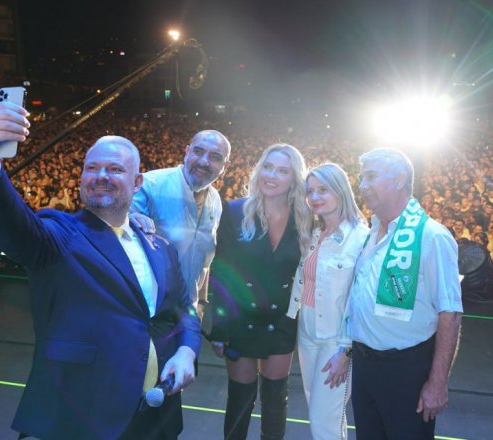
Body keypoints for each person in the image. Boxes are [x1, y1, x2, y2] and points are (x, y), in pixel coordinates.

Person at [0, 91, 200, 439]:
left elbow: (184, 309)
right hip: (82, 414)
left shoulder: (160, 247)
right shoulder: (59, 235)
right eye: (92, 168)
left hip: (156, 416)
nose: (101, 175)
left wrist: (187, 351)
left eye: (115, 169)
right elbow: (14, 224)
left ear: (137, 182)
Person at [348, 148, 463, 440]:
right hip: (364, 366)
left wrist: (437, 382)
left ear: (400, 179)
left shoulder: (432, 236)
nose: (362, 185)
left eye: (370, 176)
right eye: (361, 178)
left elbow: (450, 313)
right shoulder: (369, 234)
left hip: (406, 371)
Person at [208, 144, 312, 440]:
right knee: (240, 400)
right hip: (241, 319)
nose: (271, 175)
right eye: (267, 167)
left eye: (282, 171)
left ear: (294, 178)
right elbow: (222, 273)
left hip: (282, 320)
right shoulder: (234, 210)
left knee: (275, 401)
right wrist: (219, 329)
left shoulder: (306, 217)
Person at [285, 163, 369, 440]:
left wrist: (346, 352)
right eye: (310, 192)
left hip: (336, 340)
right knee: (324, 415)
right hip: (307, 332)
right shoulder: (312, 233)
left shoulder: (360, 238)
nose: (315, 197)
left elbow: (359, 301)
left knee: (323, 421)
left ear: (340, 190)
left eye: (323, 190)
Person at [131, 130, 232, 318]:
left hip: (187, 314)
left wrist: (200, 302)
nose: (204, 162)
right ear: (187, 152)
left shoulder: (215, 200)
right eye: (198, 151)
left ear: (225, 166)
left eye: (215, 157)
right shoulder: (150, 185)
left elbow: (203, 259)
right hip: (147, 314)